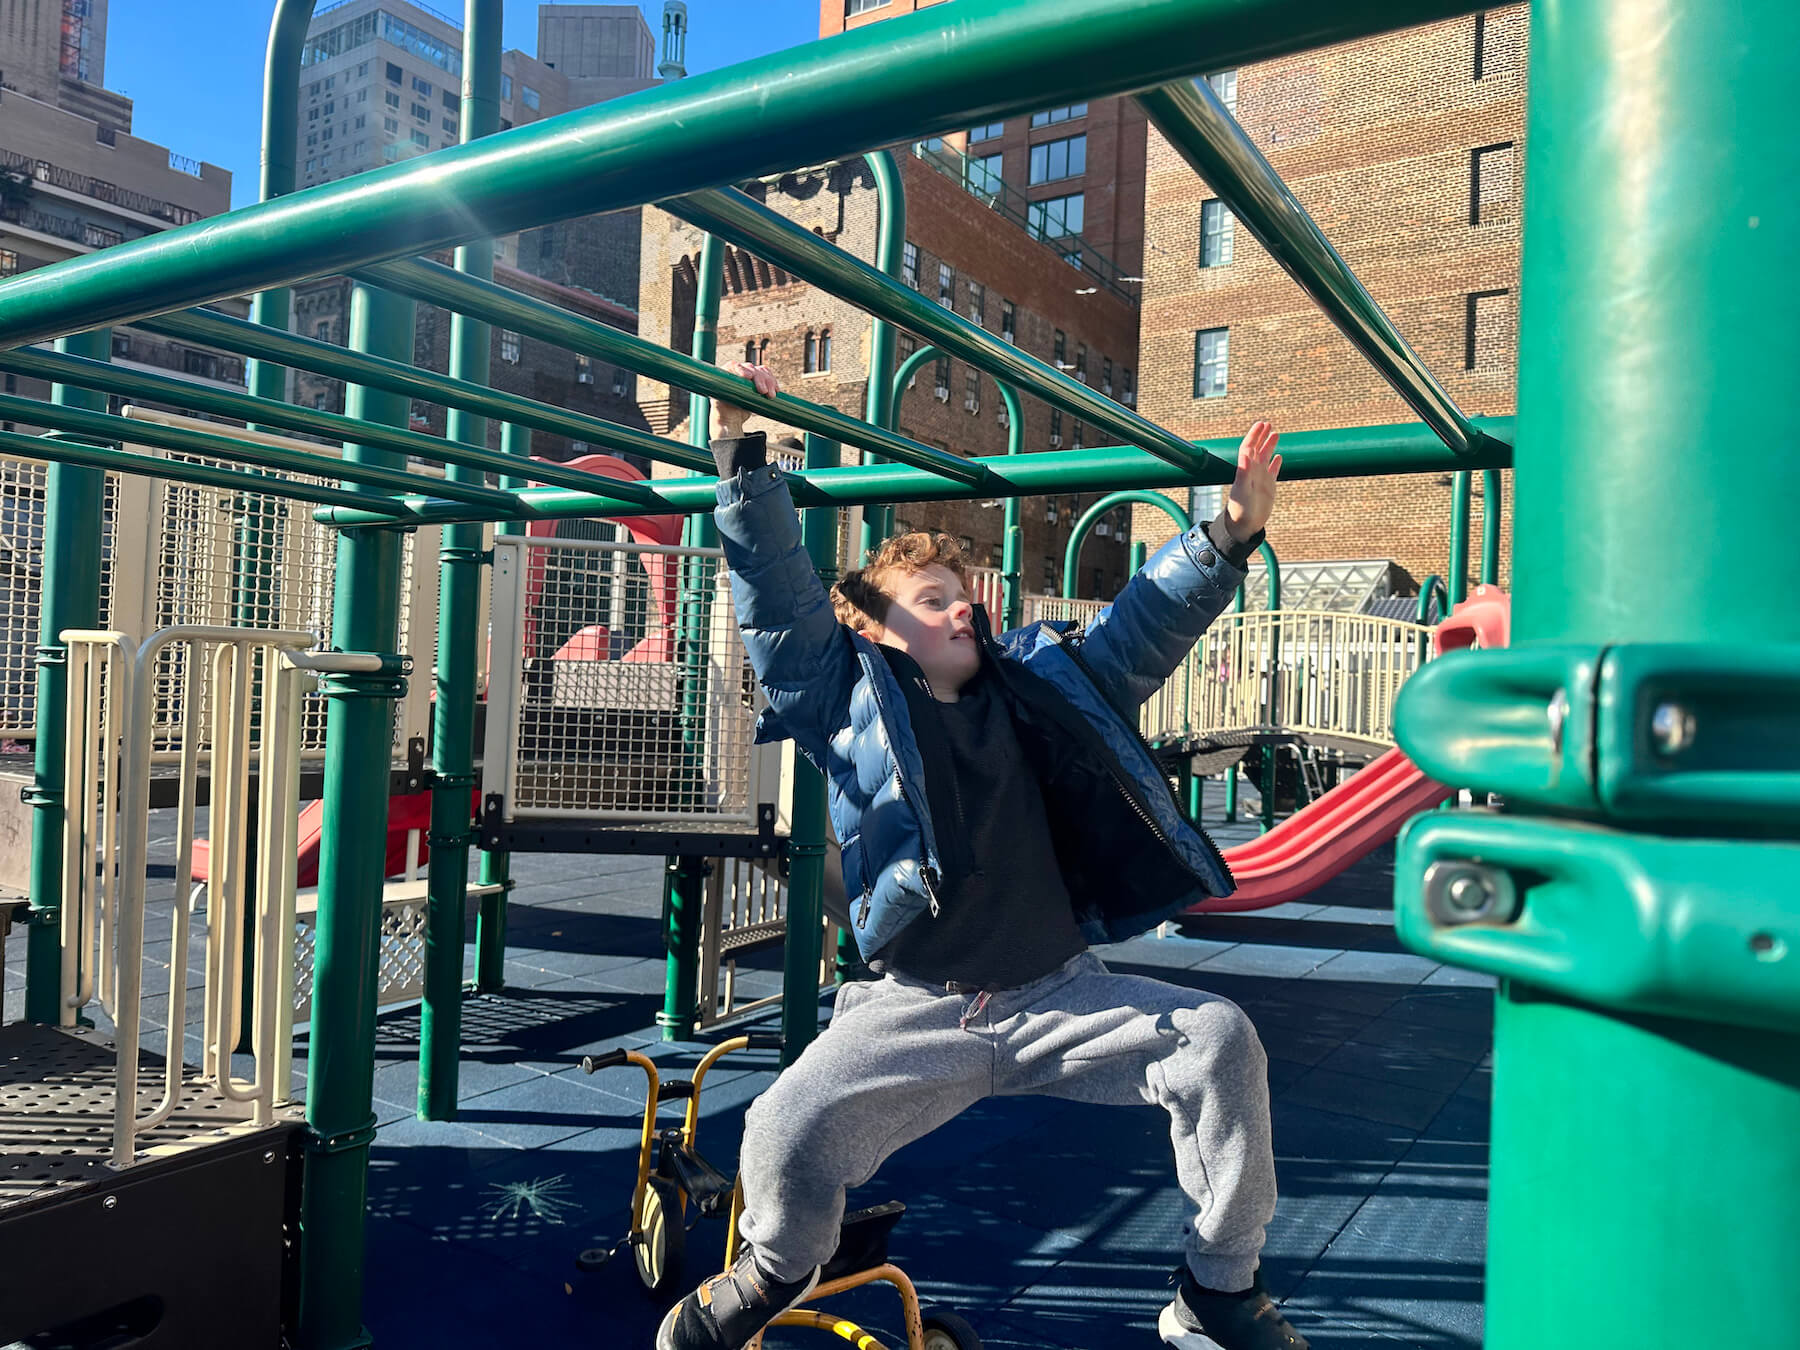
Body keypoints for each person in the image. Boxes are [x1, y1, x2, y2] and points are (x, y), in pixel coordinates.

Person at [658, 362, 1303, 1350]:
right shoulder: (849, 703)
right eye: (932, 598)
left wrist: (1228, 535)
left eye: (964, 595)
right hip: (918, 1007)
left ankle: (1218, 1285)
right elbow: (781, 611)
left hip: (1058, 996)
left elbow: (1139, 631)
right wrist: (745, 462)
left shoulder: (1039, 686)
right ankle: (779, 1263)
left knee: (1218, 1039)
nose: (962, 608)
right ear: (875, 628)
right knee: (782, 1124)